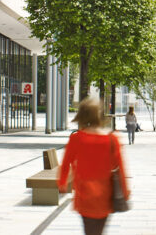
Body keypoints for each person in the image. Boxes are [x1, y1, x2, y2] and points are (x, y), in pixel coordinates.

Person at [58, 98, 129, 235]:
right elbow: (120, 168)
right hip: (105, 196)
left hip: (85, 195)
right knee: (98, 230)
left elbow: (66, 163)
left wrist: (61, 183)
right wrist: (125, 192)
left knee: (89, 230)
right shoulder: (112, 139)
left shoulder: (77, 138)